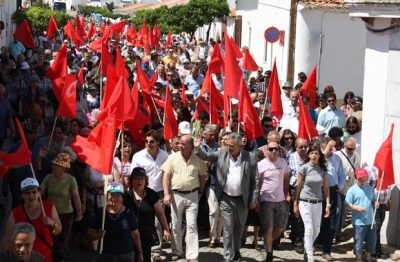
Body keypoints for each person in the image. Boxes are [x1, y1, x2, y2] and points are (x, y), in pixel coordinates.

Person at [195, 133, 259, 262]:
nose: (228, 148)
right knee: (228, 228)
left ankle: (236, 250)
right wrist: (197, 148)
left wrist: (254, 199)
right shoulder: (222, 153)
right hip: (225, 198)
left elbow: (255, 181)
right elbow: (207, 156)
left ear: (240, 145)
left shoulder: (250, 158)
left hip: (242, 199)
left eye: (231, 146)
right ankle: (228, 256)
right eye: (227, 145)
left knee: (238, 228)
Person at [162, 134, 207, 261]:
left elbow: (203, 175)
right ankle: (176, 251)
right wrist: (166, 194)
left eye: (183, 144)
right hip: (176, 195)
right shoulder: (172, 158)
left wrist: (201, 192)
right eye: (179, 143)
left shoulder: (198, 160)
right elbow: (166, 175)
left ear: (191, 147)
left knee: (192, 225)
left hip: (193, 195)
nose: (180, 146)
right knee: (175, 225)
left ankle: (192, 255)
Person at [130, 130, 169, 261]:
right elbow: (132, 176)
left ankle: (155, 251)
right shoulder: (138, 156)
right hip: (141, 193)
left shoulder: (165, 156)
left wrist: (168, 192)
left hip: (158, 193)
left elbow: (168, 174)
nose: (148, 144)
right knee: (142, 222)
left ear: (158, 142)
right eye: (146, 141)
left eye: (152, 141)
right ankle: (139, 249)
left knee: (157, 222)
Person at [2, 177, 62, 261]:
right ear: (22, 195)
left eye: (34, 192)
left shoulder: (48, 206)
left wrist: (52, 222)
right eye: (27, 193)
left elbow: (58, 230)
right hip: (23, 258)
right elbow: (7, 238)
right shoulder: (16, 212)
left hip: (45, 258)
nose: (31, 196)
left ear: (39, 192)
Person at [40, 153, 82, 260]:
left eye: (57, 165)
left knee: (63, 239)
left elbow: (76, 196)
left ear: (63, 168)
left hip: (65, 214)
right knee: (50, 237)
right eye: (53, 164)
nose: (53, 166)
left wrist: (79, 211)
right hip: (50, 214)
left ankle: (62, 257)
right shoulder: (48, 178)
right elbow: (40, 192)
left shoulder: (71, 179)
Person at [293, 142, 331, 262]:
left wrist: (328, 204)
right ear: (308, 155)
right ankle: (310, 257)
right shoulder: (304, 168)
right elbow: (298, 186)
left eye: (316, 153)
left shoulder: (322, 169)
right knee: (309, 228)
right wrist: (295, 203)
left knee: (317, 230)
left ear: (320, 155)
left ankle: (307, 247)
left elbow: (326, 188)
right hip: (305, 201)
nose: (314, 155)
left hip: (318, 203)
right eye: (312, 153)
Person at [88, 182, 143, 262]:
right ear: (107, 197)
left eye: (117, 195)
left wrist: (139, 252)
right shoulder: (101, 212)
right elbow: (90, 233)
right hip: (106, 255)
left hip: (126, 256)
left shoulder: (129, 213)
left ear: (122, 198)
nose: (114, 198)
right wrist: (97, 235)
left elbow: (135, 234)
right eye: (111, 195)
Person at [124, 167, 171, 262]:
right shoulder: (126, 195)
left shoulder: (151, 194)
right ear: (131, 179)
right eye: (137, 178)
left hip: (146, 234)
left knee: (145, 258)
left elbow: (160, 213)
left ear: (146, 180)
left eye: (142, 178)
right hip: (130, 235)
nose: (139, 181)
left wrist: (166, 229)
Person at [258, 140, 290, 261]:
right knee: (269, 228)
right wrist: (256, 200)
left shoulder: (283, 162)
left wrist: (287, 194)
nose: (274, 151)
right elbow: (257, 184)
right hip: (266, 201)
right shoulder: (261, 165)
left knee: (280, 228)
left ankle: (267, 240)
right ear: (266, 150)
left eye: (276, 149)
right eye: (271, 149)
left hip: (281, 200)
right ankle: (269, 254)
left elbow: (286, 179)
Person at [318, 137, 345, 261]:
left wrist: (338, 187)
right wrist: (325, 150)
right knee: (316, 220)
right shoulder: (318, 157)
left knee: (331, 222)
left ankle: (326, 250)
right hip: (318, 191)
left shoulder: (337, 159)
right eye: (327, 147)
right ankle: (312, 245)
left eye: (331, 148)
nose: (330, 150)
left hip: (332, 191)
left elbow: (341, 175)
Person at [345, 168, 379, 262]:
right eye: (360, 180)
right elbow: (347, 204)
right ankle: (358, 258)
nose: (363, 182)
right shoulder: (352, 190)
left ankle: (368, 256)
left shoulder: (370, 189)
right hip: (358, 221)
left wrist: (376, 204)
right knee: (358, 241)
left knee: (371, 240)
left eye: (365, 179)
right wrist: (357, 208)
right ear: (356, 178)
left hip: (370, 220)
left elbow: (373, 201)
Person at [287, 138, 308, 250]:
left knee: (305, 216)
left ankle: (300, 237)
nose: (304, 149)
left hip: (307, 190)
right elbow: (286, 176)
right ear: (296, 146)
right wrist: (287, 193)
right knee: (296, 216)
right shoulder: (290, 157)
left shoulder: (310, 157)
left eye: (305, 146)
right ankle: (297, 241)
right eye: (301, 147)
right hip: (294, 189)